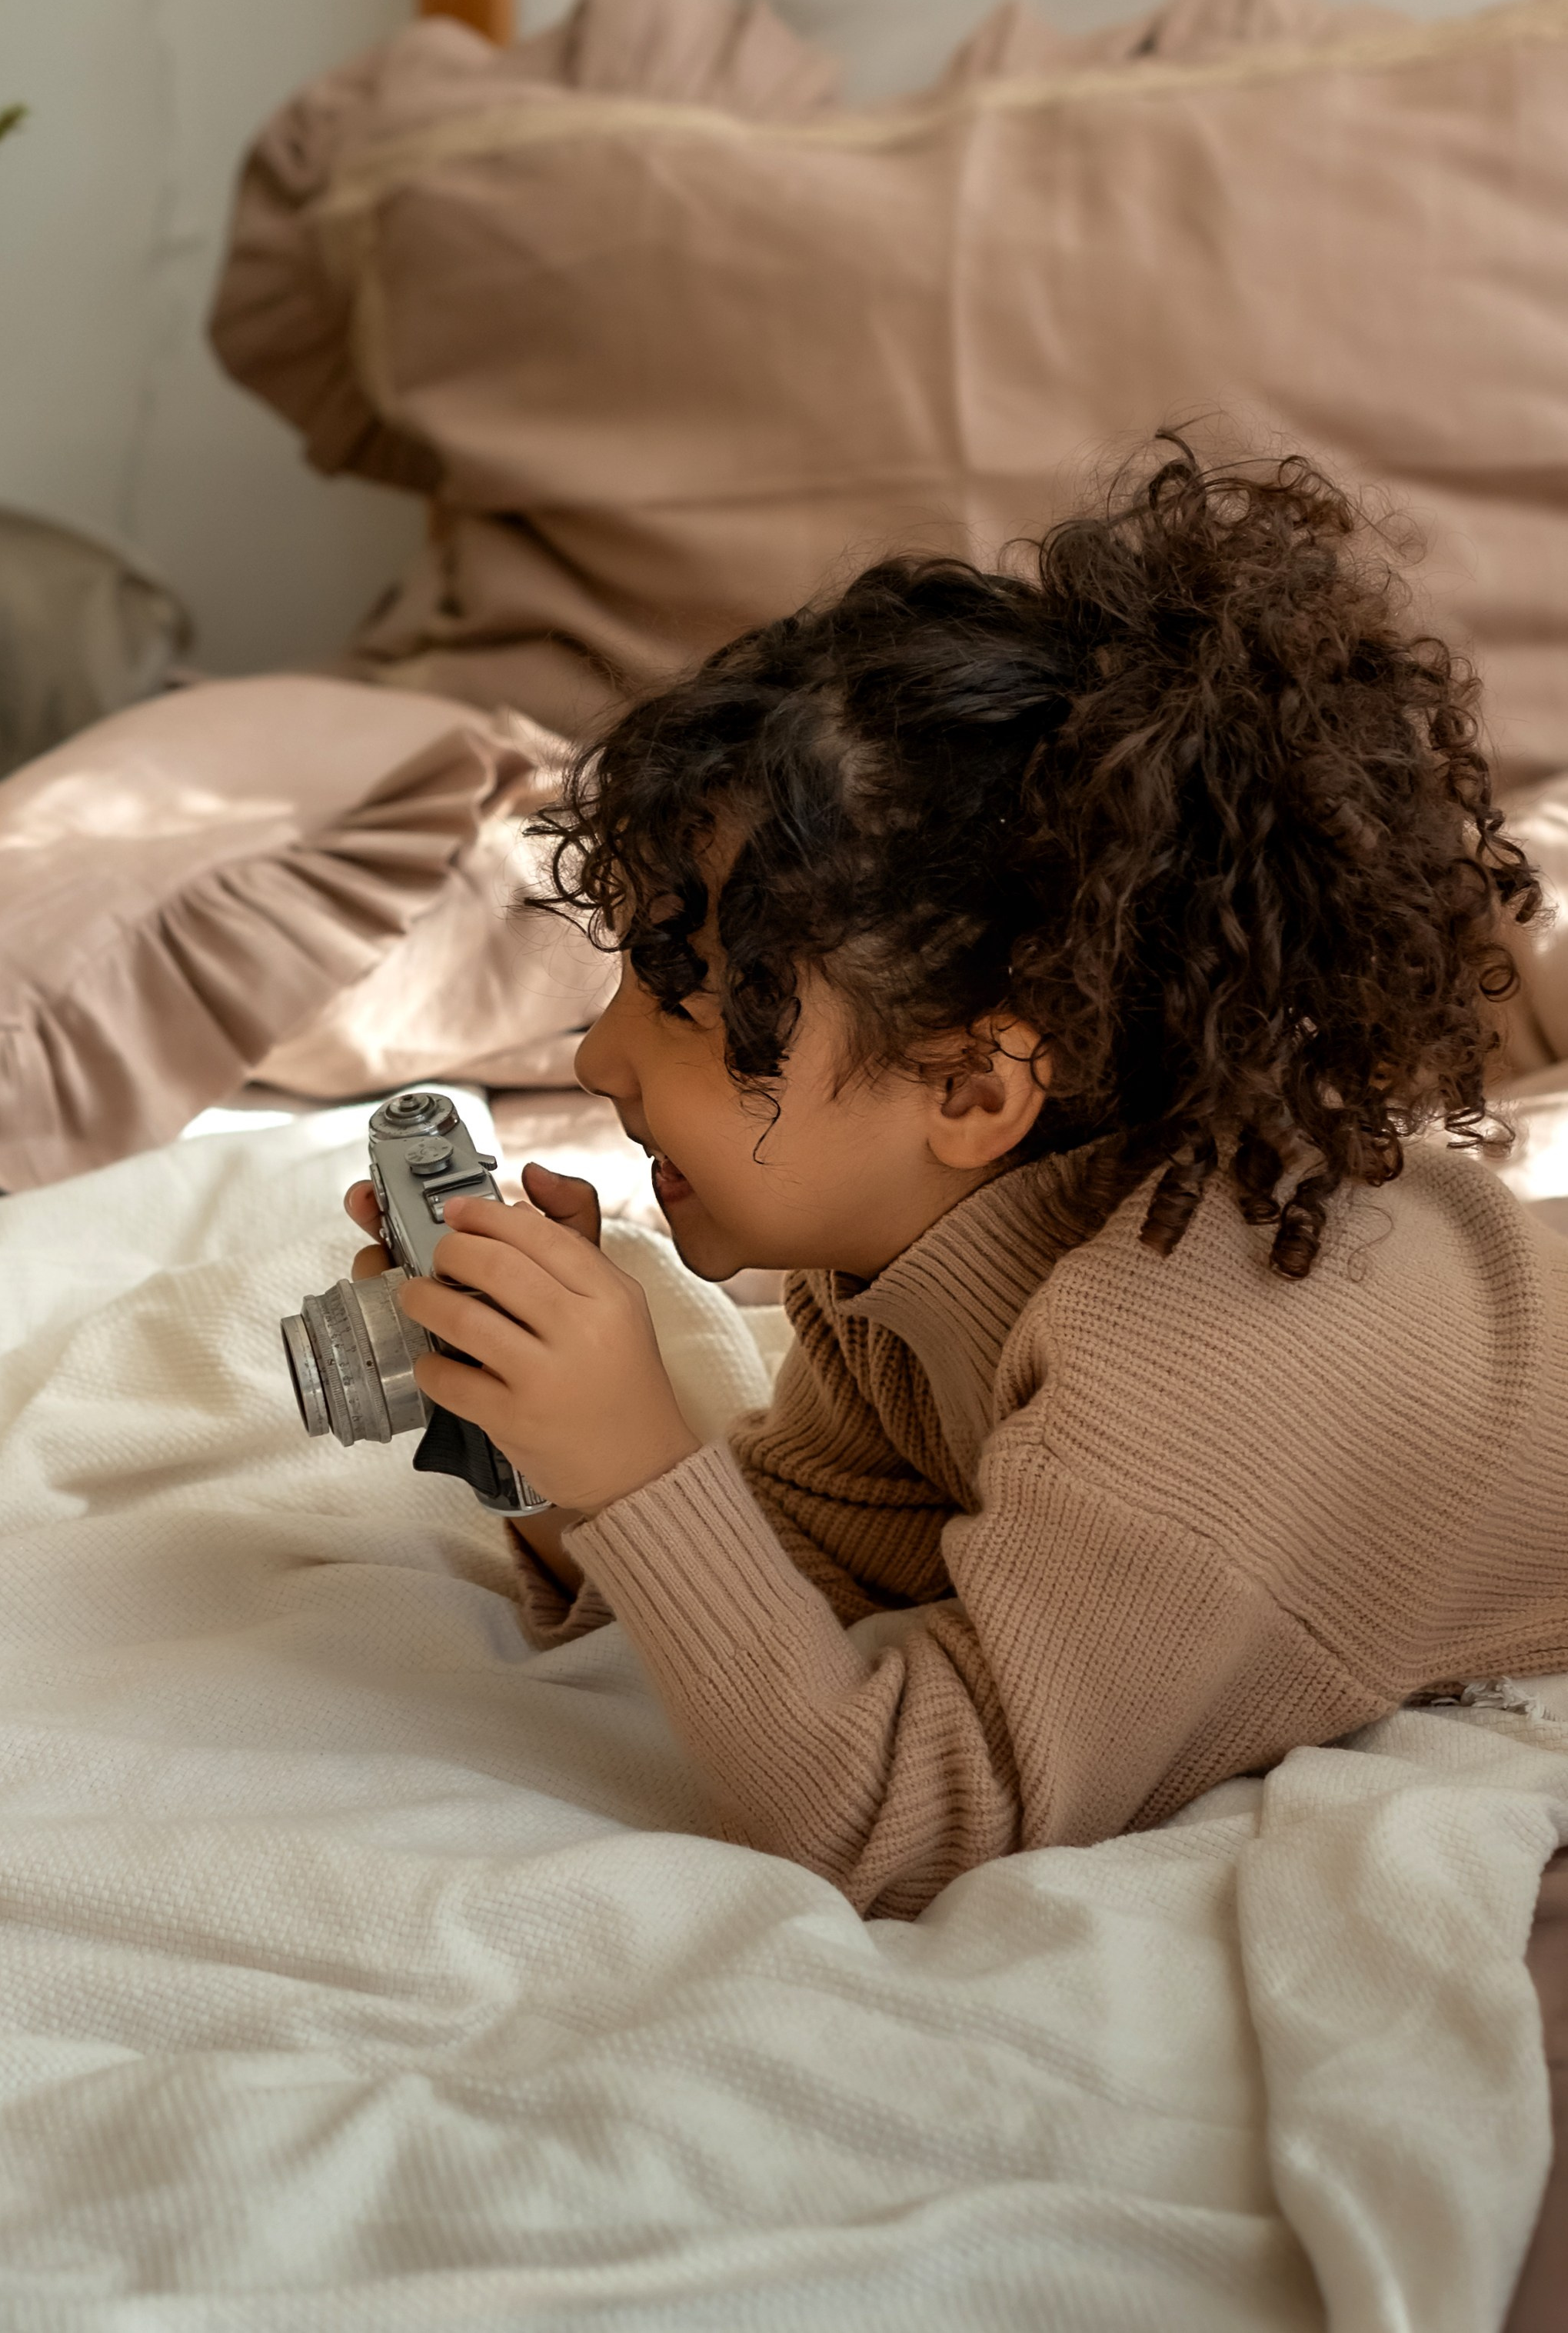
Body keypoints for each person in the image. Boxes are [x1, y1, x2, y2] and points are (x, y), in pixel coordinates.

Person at [345, 442, 1568, 1921]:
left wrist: (636, 1463)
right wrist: (523, 1422)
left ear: (977, 1088)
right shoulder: (902, 1276)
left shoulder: (1194, 1384)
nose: (599, 1059)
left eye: (683, 1004)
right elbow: (814, 1588)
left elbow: (911, 1824)